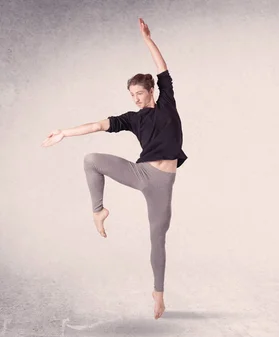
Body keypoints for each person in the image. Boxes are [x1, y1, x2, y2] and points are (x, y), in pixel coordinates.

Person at [41, 18, 187, 320]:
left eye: (139, 93)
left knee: (158, 237)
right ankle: (98, 210)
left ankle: (158, 295)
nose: (135, 98)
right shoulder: (133, 119)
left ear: (151, 90)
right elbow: (97, 125)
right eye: (131, 95)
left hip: (163, 184)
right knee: (91, 159)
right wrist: (64, 132)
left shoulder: (168, 103)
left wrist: (148, 39)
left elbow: (163, 70)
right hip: (142, 173)